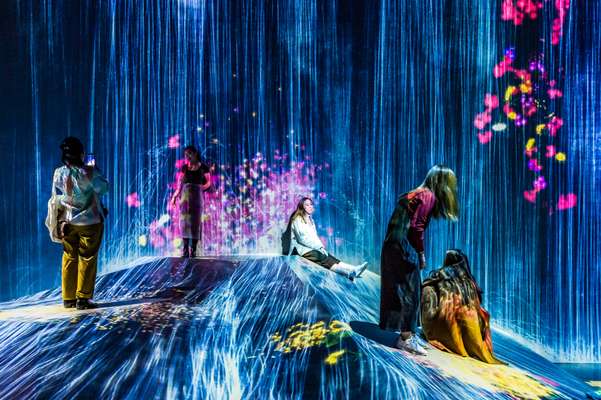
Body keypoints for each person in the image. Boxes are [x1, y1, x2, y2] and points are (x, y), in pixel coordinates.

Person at [380, 165, 459, 355]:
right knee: (411, 291)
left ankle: (407, 334)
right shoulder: (428, 196)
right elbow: (416, 228)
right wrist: (421, 253)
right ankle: (405, 339)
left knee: (399, 289)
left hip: (392, 244)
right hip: (404, 247)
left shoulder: (414, 193)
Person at [48, 137, 109, 310]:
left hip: (67, 222)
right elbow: (104, 189)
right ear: (81, 154)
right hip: (90, 221)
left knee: (69, 256)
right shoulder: (88, 172)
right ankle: (83, 298)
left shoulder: (58, 173)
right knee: (87, 257)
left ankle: (68, 298)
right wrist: (94, 169)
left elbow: (57, 194)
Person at [421, 249, 501, 364]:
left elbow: (426, 291)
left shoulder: (438, 276)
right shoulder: (470, 281)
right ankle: (469, 341)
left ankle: (431, 332)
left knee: (427, 289)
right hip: (472, 335)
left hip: (443, 331)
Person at [286, 197, 368, 280]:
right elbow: (302, 239)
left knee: (330, 257)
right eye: (307, 205)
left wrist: (320, 247)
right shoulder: (297, 220)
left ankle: (354, 269)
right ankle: (347, 273)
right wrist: (318, 247)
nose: (310, 206)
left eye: (311, 204)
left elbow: (314, 237)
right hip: (302, 249)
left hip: (312, 247)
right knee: (323, 258)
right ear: (302, 207)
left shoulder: (311, 220)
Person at [171, 145, 211, 257]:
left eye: (189, 153)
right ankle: (184, 249)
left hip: (197, 197)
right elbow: (180, 184)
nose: (187, 156)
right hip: (185, 197)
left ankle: (193, 249)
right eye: (185, 154)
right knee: (184, 222)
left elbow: (208, 182)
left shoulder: (203, 167)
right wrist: (175, 196)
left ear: (195, 154)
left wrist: (200, 188)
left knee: (195, 223)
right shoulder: (185, 168)